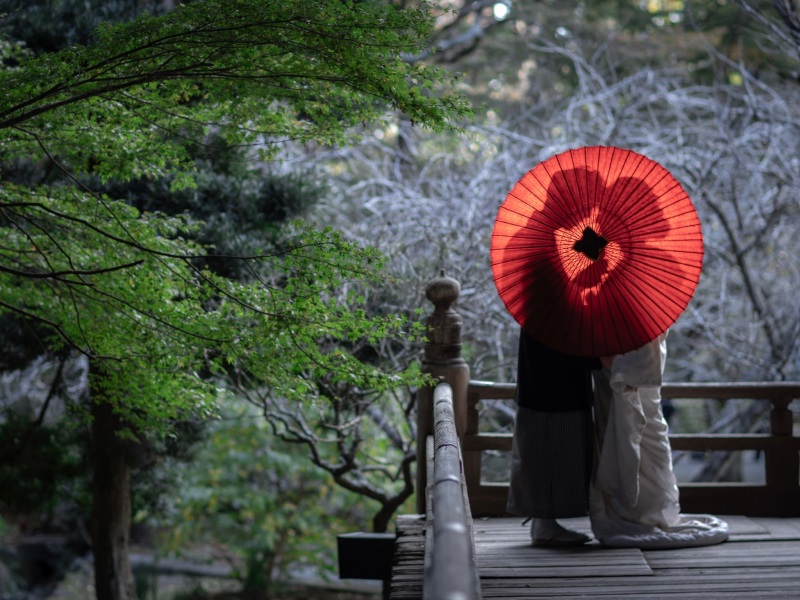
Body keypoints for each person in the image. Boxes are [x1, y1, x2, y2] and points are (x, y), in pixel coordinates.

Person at [589, 332, 729, 548]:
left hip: (636, 386)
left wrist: (617, 363)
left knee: (646, 445)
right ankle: (633, 511)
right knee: (627, 444)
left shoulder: (639, 324)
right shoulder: (632, 321)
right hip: (616, 381)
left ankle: (642, 512)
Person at [507, 328, 601, 546]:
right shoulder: (550, 309)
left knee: (550, 452)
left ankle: (545, 522)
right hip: (550, 389)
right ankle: (544, 524)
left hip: (550, 387)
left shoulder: (546, 309)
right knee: (548, 453)